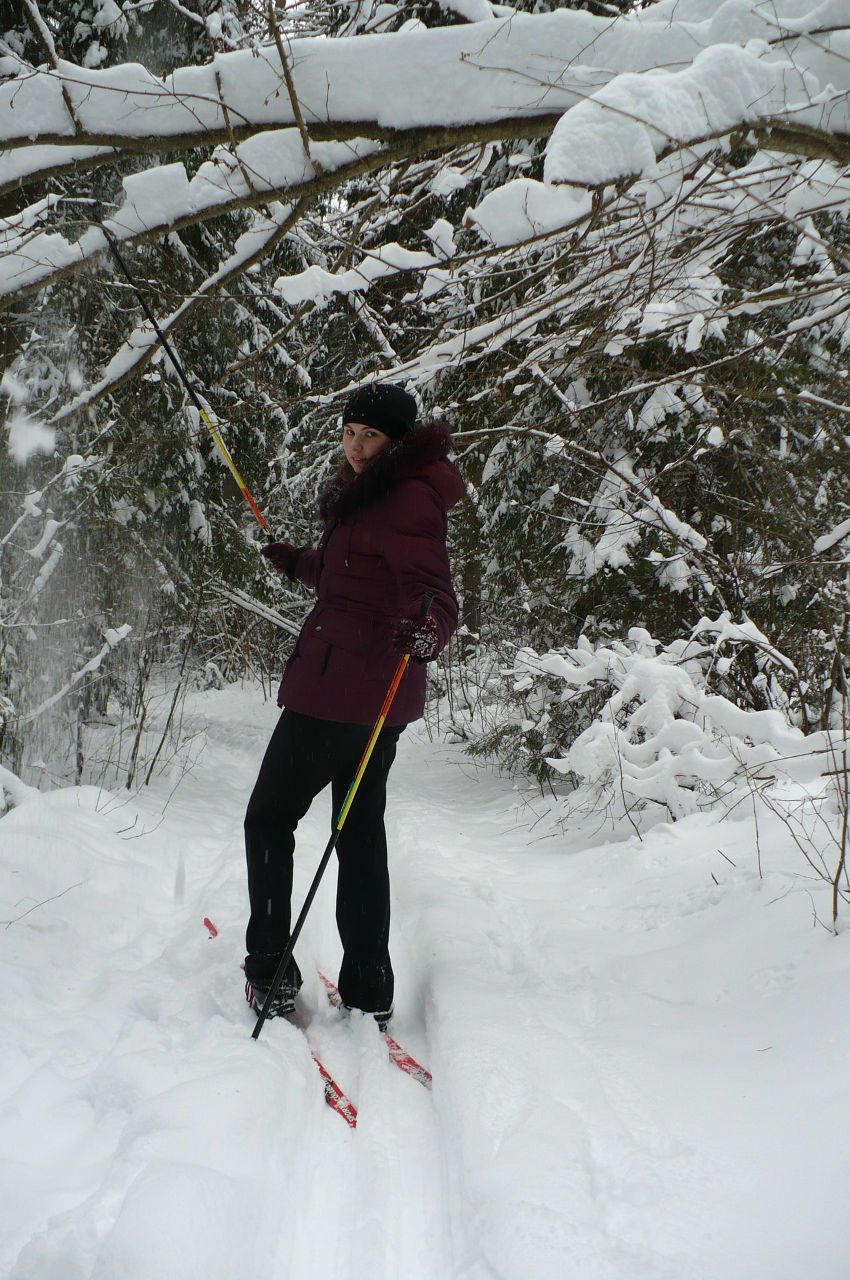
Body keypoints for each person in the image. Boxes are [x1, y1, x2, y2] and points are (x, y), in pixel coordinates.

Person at [243, 383, 464, 1027]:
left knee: (268, 819)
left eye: (370, 435)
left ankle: (269, 971)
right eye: (349, 433)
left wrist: (430, 630)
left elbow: (435, 592)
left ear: (397, 441)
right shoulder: (376, 492)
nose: (357, 446)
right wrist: (297, 563)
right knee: (358, 833)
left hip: (338, 694)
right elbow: (353, 573)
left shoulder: (405, 497)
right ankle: (369, 983)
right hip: (374, 703)